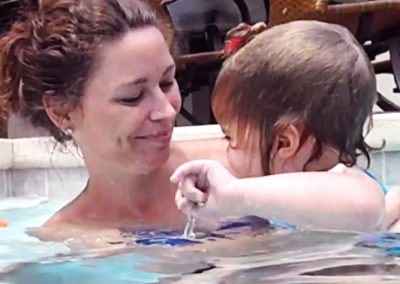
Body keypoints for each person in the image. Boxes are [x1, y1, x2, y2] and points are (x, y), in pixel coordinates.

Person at [0, 0, 228, 231]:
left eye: (167, 82)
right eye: (133, 96)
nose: (167, 111)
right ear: (61, 111)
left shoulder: (242, 167)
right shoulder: (67, 242)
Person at [171, 20, 386, 232]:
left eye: (230, 138)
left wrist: (235, 194)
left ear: (285, 143)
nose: (225, 149)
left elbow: (367, 207)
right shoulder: (275, 202)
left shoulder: (349, 186)